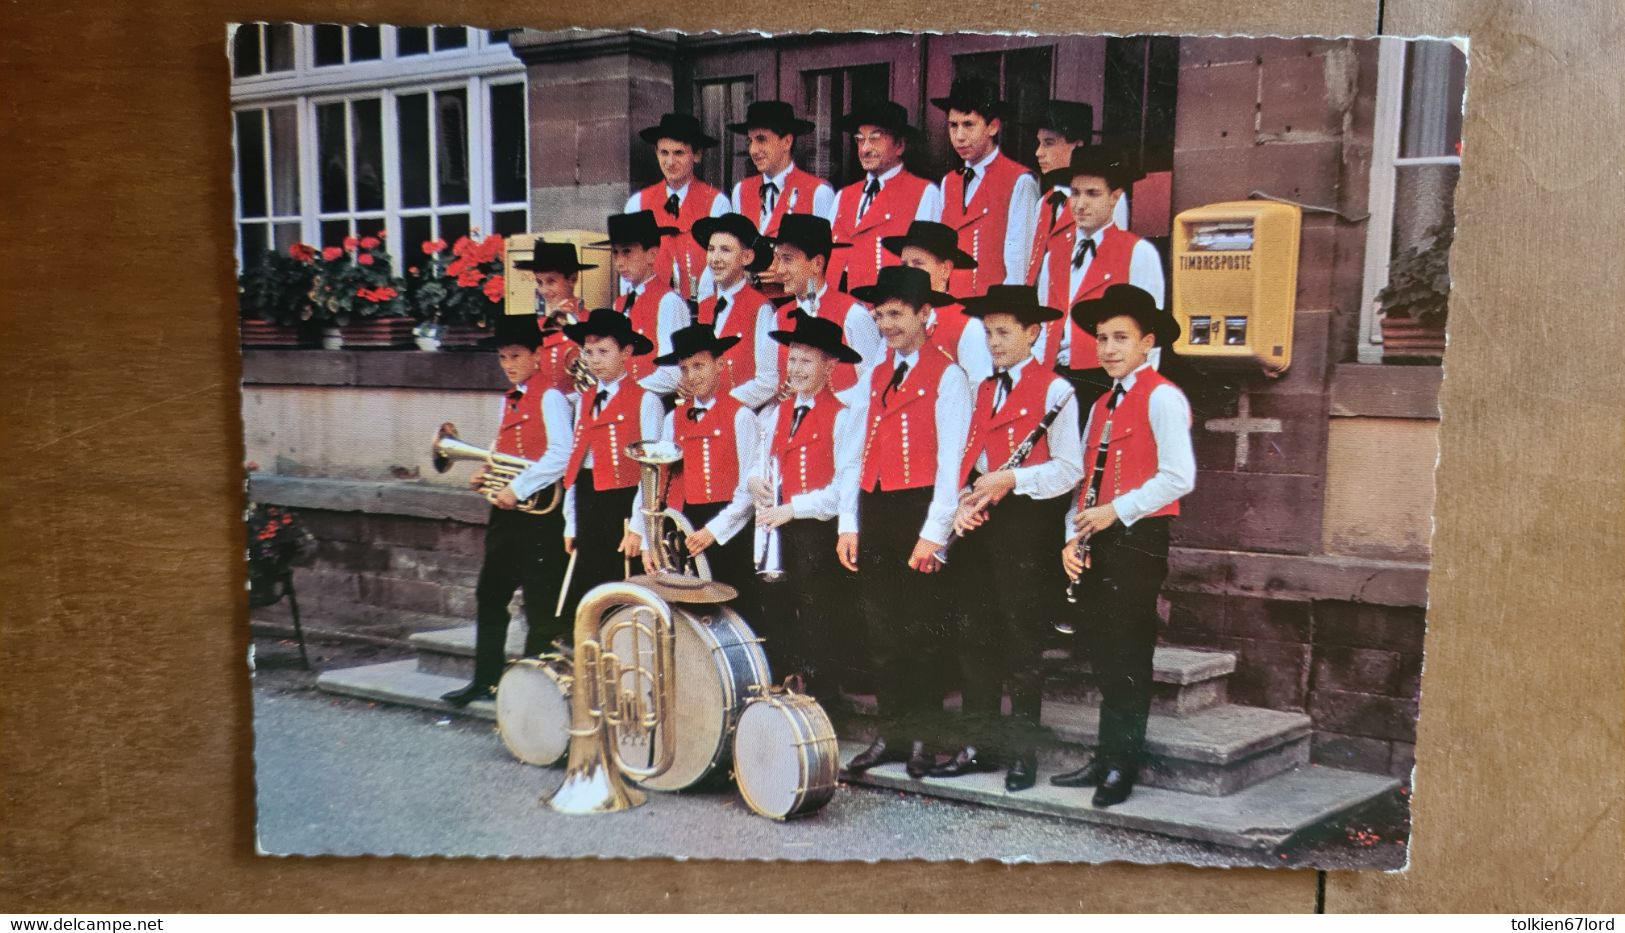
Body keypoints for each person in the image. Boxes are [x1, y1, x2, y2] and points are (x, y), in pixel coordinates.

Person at [1050, 284, 1195, 808]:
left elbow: (1179, 477)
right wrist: (1074, 536)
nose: (1108, 348)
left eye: (1121, 338)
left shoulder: (1161, 396)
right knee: (1104, 654)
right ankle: (1104, 756)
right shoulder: (1103, 403)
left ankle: (1123, 765)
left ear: (1147, 342)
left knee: (1130, 654)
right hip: (1100, 540)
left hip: (1138, 538)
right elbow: (1085, 482)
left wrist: (1116, 511)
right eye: (1102, 338)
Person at [936, 285, 1082, 790]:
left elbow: (1069, 470)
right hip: (981, 520)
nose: (994, 342)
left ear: (1033, 333)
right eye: (988, 332)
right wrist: (962, 503)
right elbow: (968, 459)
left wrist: (1012, 479)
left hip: (1025, 524)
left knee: (1021, 641)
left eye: (1004, 332)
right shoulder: (980, 389)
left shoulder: (1056, 391)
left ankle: (1023, 754)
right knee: (974, 636)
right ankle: (979, 745)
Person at [839, 265, 972, 779]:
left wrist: (935, 534)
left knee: (920, 631)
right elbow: (853, 453)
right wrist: (848, 523)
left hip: (919, 510)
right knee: (882, 631)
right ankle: (890, 733)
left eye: (896, 314)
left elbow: (951, 463)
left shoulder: (949, 375)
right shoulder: (875, 373)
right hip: (876, 508)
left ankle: (922, 735)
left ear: (924, 314)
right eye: (879, 314)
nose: (886, 324)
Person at [441, 315, 575, 707]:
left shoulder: (550, 396)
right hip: (507, 511)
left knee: (539, 601)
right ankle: (485, 680)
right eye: (503, 358)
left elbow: (560, 455)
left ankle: (536, 694)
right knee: (490, 592)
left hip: (537, 514)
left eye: (516, 356)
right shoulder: (509, 398)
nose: (509, 364)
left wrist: (516, 488)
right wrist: (486, 471)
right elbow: (504, 450)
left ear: (537, 355)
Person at [748, 313, 865, 704]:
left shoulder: (843, 415)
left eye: (806, 361)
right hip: (777, 530)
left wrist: (792, 509)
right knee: (779, 611)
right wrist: (753, 482)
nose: (795, 369)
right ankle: (787, 691)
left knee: (818, 618)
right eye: (792, 359)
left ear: (830, 365)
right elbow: (759, 460)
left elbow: (841, 489)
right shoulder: (777, 412)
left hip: (815, 529)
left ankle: (825, 704)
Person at [630, 324, 759, 604]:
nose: (691, 376)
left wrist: (714, 530)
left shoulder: (742, 416)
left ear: (720, 364)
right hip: (681, 524)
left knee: (729, 604)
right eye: (685, 369)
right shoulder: (671, 419)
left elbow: (749, 486)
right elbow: (656, 480)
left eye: (699, 366)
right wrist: (645, 538)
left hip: (725, 526)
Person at [558, 309, 665, 624]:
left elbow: (652, 470)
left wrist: (639, 527)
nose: (594, 359)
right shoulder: (585, 398)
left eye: (604, 351)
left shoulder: (646, 400)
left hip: (623, 502)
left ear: (627, 352)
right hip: (588, 498)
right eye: (588, 352)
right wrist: (570, 522)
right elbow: (576, 462)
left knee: (620, 593)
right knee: (588, 590)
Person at [1042, 146, 1164, 373]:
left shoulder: (1138, 252)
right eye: (1075, 193)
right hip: (1055, 374)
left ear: (1114, 198)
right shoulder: (1054, 255)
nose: (1080, 204)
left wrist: (1136, 392)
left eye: (1092, 193)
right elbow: (1042, 325)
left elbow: (1150, 333)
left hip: (1105, 375)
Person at [932, 77, 1039, 298]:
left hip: (992, 316)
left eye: (969, 124)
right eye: (953, 125)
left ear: (993, 126)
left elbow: (1020, 265)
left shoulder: (1019, 180)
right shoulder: (949, 182)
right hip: (951, 315)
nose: (959, 136)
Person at [821, 100, 941, 293]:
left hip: (887, 315)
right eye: (860, 139)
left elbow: (926, 272)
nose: (864, 149)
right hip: (839, 314)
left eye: (875, 138)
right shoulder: (843, 195)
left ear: (900, 145)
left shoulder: (925, 193)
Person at [764, 214, 881, 404]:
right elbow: (769, 383)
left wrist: (821, 403)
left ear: (817, 263)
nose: (779, 270)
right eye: (778, 259)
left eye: (787, 259)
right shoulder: (778, 317)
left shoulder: (853, 315)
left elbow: (873, 385)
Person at [626, 113, 731, 300]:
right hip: (653, 307)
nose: (670, 162)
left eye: (679, 153)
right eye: (664, 153)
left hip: (700, 308)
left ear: (697, 155)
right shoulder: (638, 203)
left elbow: (722, 264)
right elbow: (629, 264)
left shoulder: (717, 202)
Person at [880, 220, 993, 382]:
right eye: (904, 264)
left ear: (945, 269)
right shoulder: (894, 318)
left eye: (917, 264)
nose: (908, 272)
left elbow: (979, 392)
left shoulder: (967, 326)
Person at [690, 213, 779, 409]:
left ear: (747, 257)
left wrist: (722, 404)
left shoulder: (760, 309)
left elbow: (768, 381)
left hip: (745, 417)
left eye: (725, 250)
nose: (715, 259)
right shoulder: (705, 306)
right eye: (711, 249)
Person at [595, 210, 689, 392]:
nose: (619, 262)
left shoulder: (668, 302)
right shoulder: (620, 303)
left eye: (627, 252)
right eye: (615, 253)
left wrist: (629, 394)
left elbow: (672, 373)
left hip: (655, 403)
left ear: (652, 255)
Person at [727, 101, 835, 237]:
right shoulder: (741, 191)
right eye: (750, 141)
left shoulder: (818, 192)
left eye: (761, 139)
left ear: (787, 142)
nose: (753, 150)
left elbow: (827, 254)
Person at [514, 240, 592, 394]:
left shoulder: (591, 321)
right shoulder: (538, 326)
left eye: (551, 281)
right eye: (540, 282)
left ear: (572, 279)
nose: (544, 290)